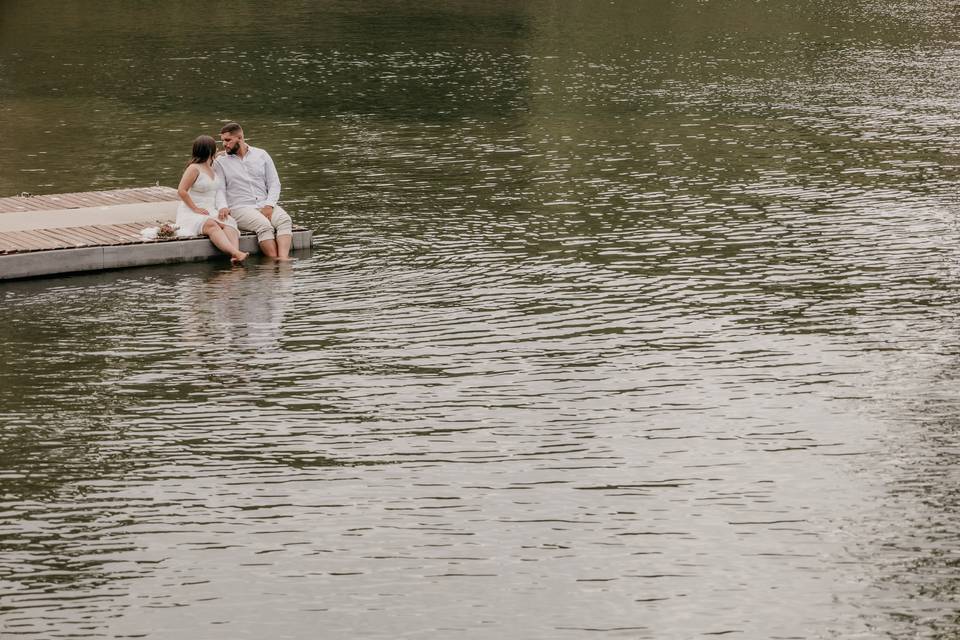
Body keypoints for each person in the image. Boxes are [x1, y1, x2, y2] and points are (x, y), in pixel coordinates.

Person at [215, 122, 293, 260]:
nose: (224, 144)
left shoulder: (261, 154)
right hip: (240, 207)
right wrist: (222, 206)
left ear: (239, 138)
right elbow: (219, 188)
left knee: (285, 220)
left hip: (264, 204)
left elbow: (274, 183)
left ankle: (283, 261)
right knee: (264, 226)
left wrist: (269, 205)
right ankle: (275, 262)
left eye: (228, 140)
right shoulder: (221, 162)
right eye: (223, 141)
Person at [175, 135, 248, 264]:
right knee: (212, 225)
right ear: (208, 150)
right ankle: (235, 253)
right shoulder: (193, 168)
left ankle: (235, 255)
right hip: (192, 211)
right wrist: (195, 208)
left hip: (210, 209)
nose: (217, 148)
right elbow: (181, 191)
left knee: (229, 222)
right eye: (215, 146)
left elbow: (222, 153)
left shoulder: (212, 166)